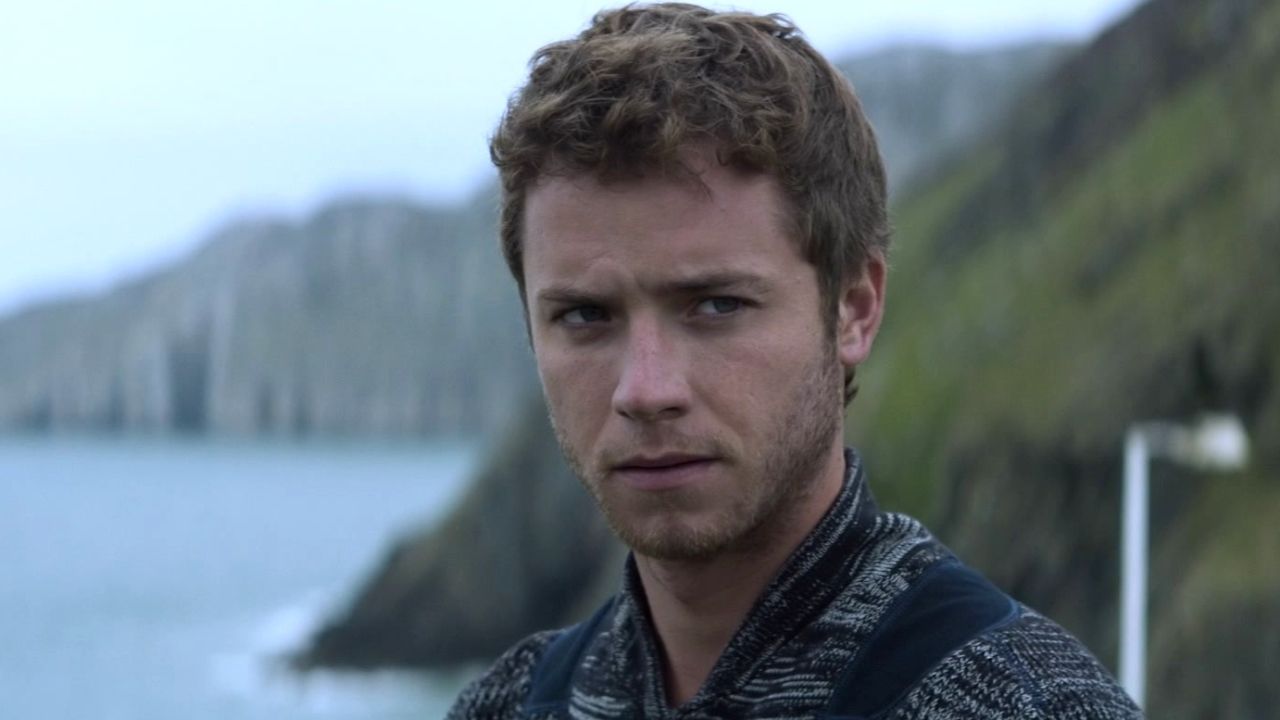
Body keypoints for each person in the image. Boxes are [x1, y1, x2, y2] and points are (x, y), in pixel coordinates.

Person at [449, 3, 1141, 718]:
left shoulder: (1020, 704)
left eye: (716, 304)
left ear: (854, 309)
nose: (646, 389)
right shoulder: (508, 705)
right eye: (585, 316)